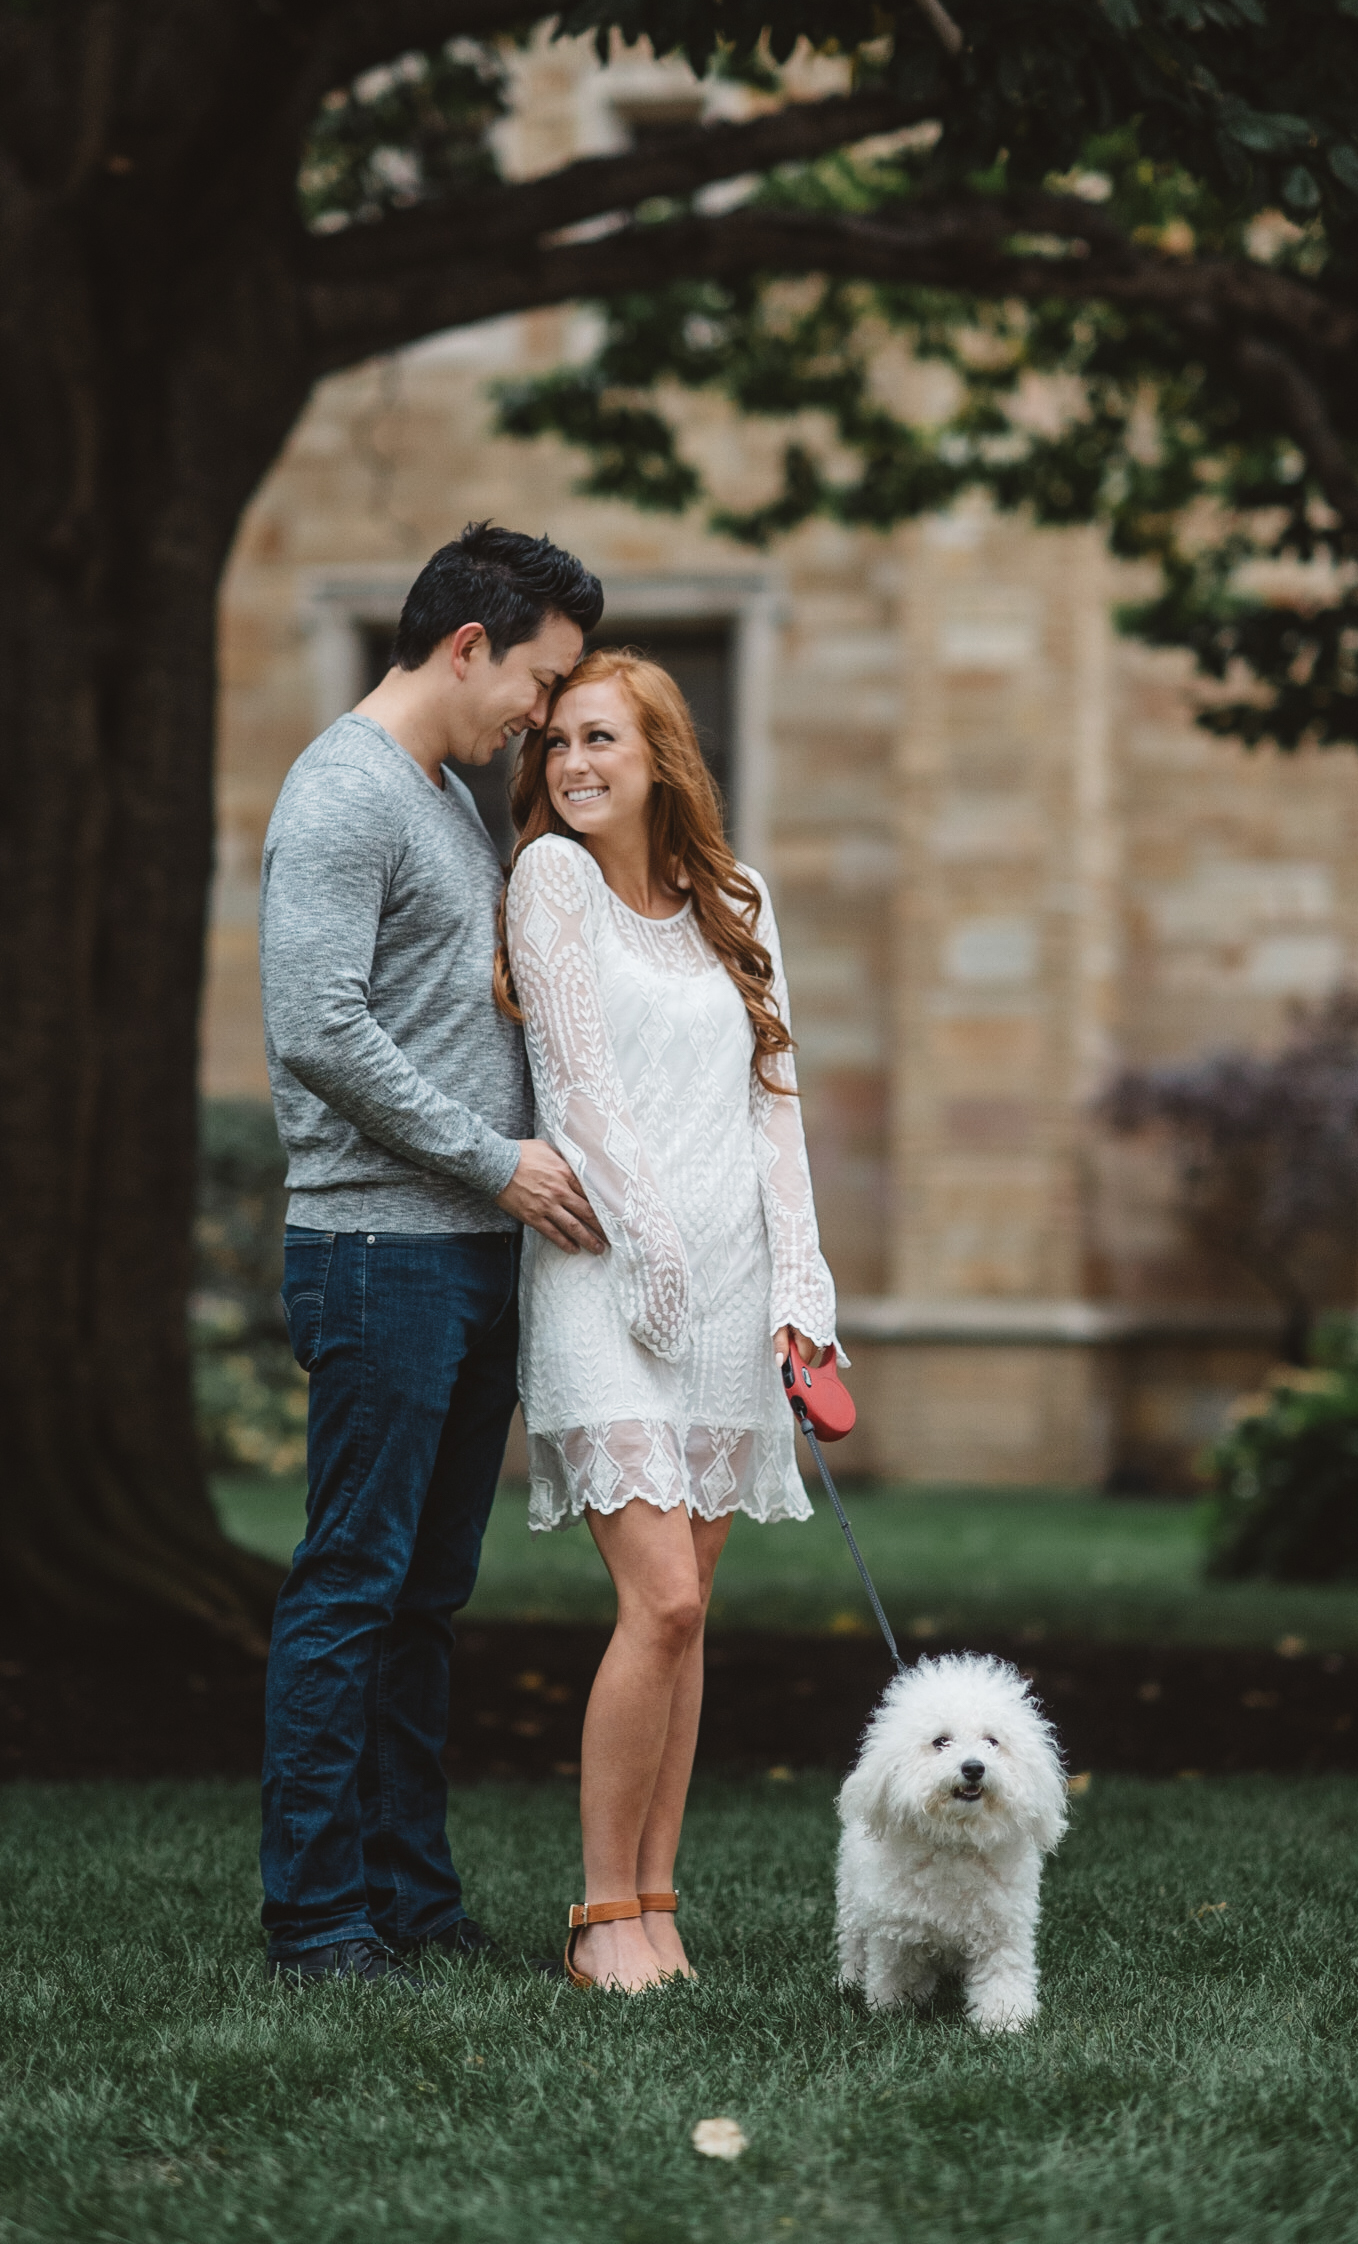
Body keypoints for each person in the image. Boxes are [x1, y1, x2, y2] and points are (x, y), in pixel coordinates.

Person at [257, 521, 605, 1985]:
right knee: (351, 1586)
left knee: (423, 1598)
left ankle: (410, 1897)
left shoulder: (446, 801)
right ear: (468, 646)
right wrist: (496, 1161)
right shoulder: (345, 794)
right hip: (379, 1253)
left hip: (471, 1255)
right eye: (540, 679)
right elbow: (318, 1027)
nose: (541, 714)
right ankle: (318, 1919)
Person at [498, 648, 841, 1993]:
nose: (573, 767)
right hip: (605, 1283)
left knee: (690, 1613)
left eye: (600, 742)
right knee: (660, 1600)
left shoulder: (735, 898)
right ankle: (597, 1922)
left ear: (658, 759)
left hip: (731, 1297)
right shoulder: (550, 880)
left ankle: (656, 1902)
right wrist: (646, 1259)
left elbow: (776, 1105)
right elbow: (574, 1088)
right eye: (557, 745)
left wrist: (802, 1294)